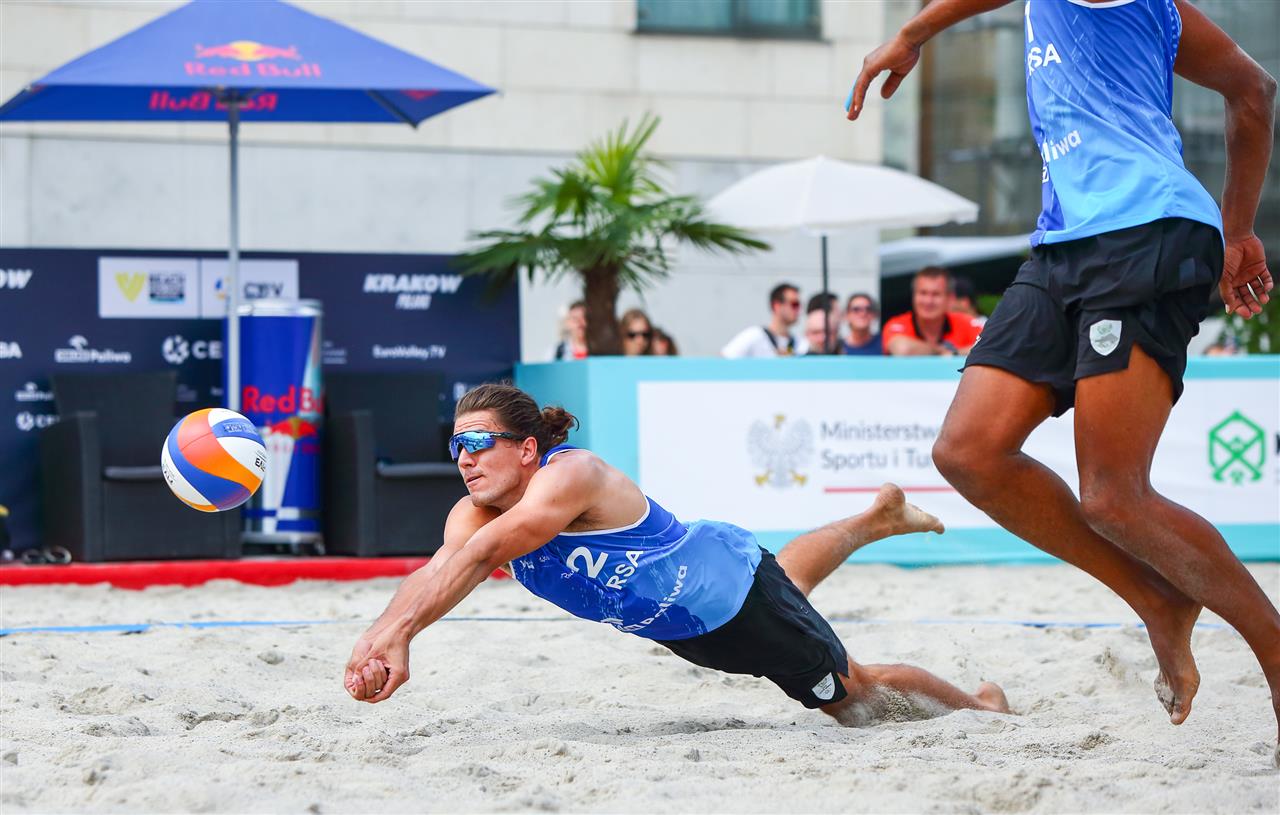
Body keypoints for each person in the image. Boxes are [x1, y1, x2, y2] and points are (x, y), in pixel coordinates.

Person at [849, 0, 1278, 761]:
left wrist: (914, 31)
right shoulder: (1146, 11)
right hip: (1064, 241)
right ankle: (1159, 600)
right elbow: (1253, 89)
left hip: (1145, 230)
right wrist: (1240, 229)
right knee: (968, 452)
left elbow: (1253, 90)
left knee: (1115, 496)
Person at [344, 384, 1010, 725]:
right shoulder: (470, 511)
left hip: (729, 591)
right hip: (684, 626)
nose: (464, 459)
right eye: (455, 446)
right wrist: (379, 639)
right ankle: (875, 518)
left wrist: (401, 633)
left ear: (526, 448)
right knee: (789, 582)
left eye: (477, 442)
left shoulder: (571, 475)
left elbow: (487, 552)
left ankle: (984, 708)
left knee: (852, 698)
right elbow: (442, 569)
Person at [882, 267, 984, 356]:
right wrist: (940, 352)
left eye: (936, 294)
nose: (928, 301)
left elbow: (987, 347)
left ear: (950, 298)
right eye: (923, 293)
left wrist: (954, 353)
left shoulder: (966, 322)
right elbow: (902, 349)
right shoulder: (897, 324)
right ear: (913, 296)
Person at [721, 283, 808, 357]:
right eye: (795, 304)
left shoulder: (800, 343)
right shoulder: (754, 335)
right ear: (777, 306)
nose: (799, 310)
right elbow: (725, 358)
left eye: (800, 305)